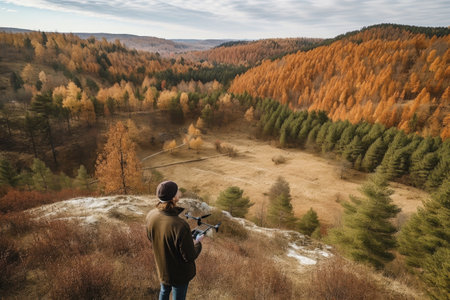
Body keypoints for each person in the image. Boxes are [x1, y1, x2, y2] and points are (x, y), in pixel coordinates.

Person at [146, 180, 204, 300]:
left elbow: (152, 237)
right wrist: (198, 243)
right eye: (177, 190)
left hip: (163, 268)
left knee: (164, 291)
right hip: (179, 274)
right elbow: (189, 256)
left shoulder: (151, 215)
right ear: (173, 197)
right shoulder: (180, 225)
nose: (180, 192)